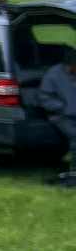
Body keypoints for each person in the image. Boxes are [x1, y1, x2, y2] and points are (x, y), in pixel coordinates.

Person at [38, 55, 76, 186]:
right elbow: (44, 98)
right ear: (70, 65)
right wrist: (63, 107)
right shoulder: (53, 75)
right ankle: (74, 172)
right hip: (60, 116)